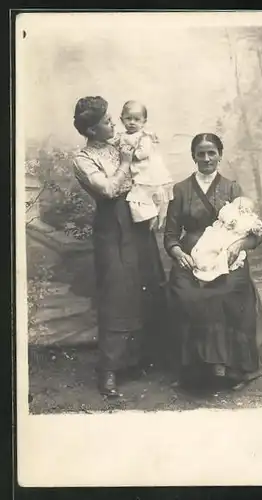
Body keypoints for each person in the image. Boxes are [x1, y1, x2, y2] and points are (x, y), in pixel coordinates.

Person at [73, 96, 166, 397]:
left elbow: (148, 166)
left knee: (146, 283)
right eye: (106, 121)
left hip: (136, 219)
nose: (114, 123)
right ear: (90, 130)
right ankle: (109, 370)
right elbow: (108, 189)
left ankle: (139, 359)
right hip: (111, 226)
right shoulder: (83, 159)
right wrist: (126, 162)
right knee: (116, 292)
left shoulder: (120, 144)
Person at [164, 133, 262, 388]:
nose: (207, 158)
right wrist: (179, 254)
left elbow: (254, 235)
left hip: (228, 257)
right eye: (201, 153)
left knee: (228, 292)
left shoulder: (232, 188)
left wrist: (237, 245)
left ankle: (234, 368)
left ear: (220, 155)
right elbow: (169, 236)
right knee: (187, 293)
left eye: (212, 152)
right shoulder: (181, 190)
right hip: (193, 258)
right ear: (193, 157)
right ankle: (197, 369)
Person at [114, 100, 173, 229]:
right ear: (121, 119)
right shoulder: (121, 136)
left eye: (136, 119)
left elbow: (143, 153)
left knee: (147, 194)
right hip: (134, 169)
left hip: (145, 169)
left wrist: (130, 155)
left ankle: (155, 215)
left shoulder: (143, 136)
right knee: (137, 199)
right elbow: (115, 146)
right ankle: (148, 216)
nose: (132, 122)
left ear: (144, 122)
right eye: (128, 118)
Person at [191, 196, 262, 283]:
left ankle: (215, 271)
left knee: (224, 256)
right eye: (239, 207)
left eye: (246, 209)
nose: (242, 210)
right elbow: (224, 214)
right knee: (206, 249)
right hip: (215, 235)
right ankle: (204, 266)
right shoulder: (229, 213)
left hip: (232, 242)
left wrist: (240, 244)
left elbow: (258, 235)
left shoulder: (248, 218)